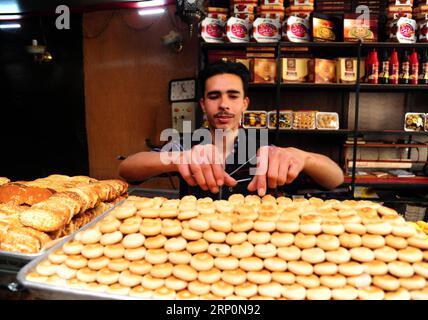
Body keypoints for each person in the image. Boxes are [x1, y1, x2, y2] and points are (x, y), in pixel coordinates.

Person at [119, 61, 344, 198]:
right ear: (203, 104)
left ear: (245, 104)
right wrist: (179, 158)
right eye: (214, 96)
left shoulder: (262, 146)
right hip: (196, 242)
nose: (224, 104)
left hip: (251, 245)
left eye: (233, 96)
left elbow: (336, 179)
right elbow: (127, 169)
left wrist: (303, 157)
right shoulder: (186, 144)